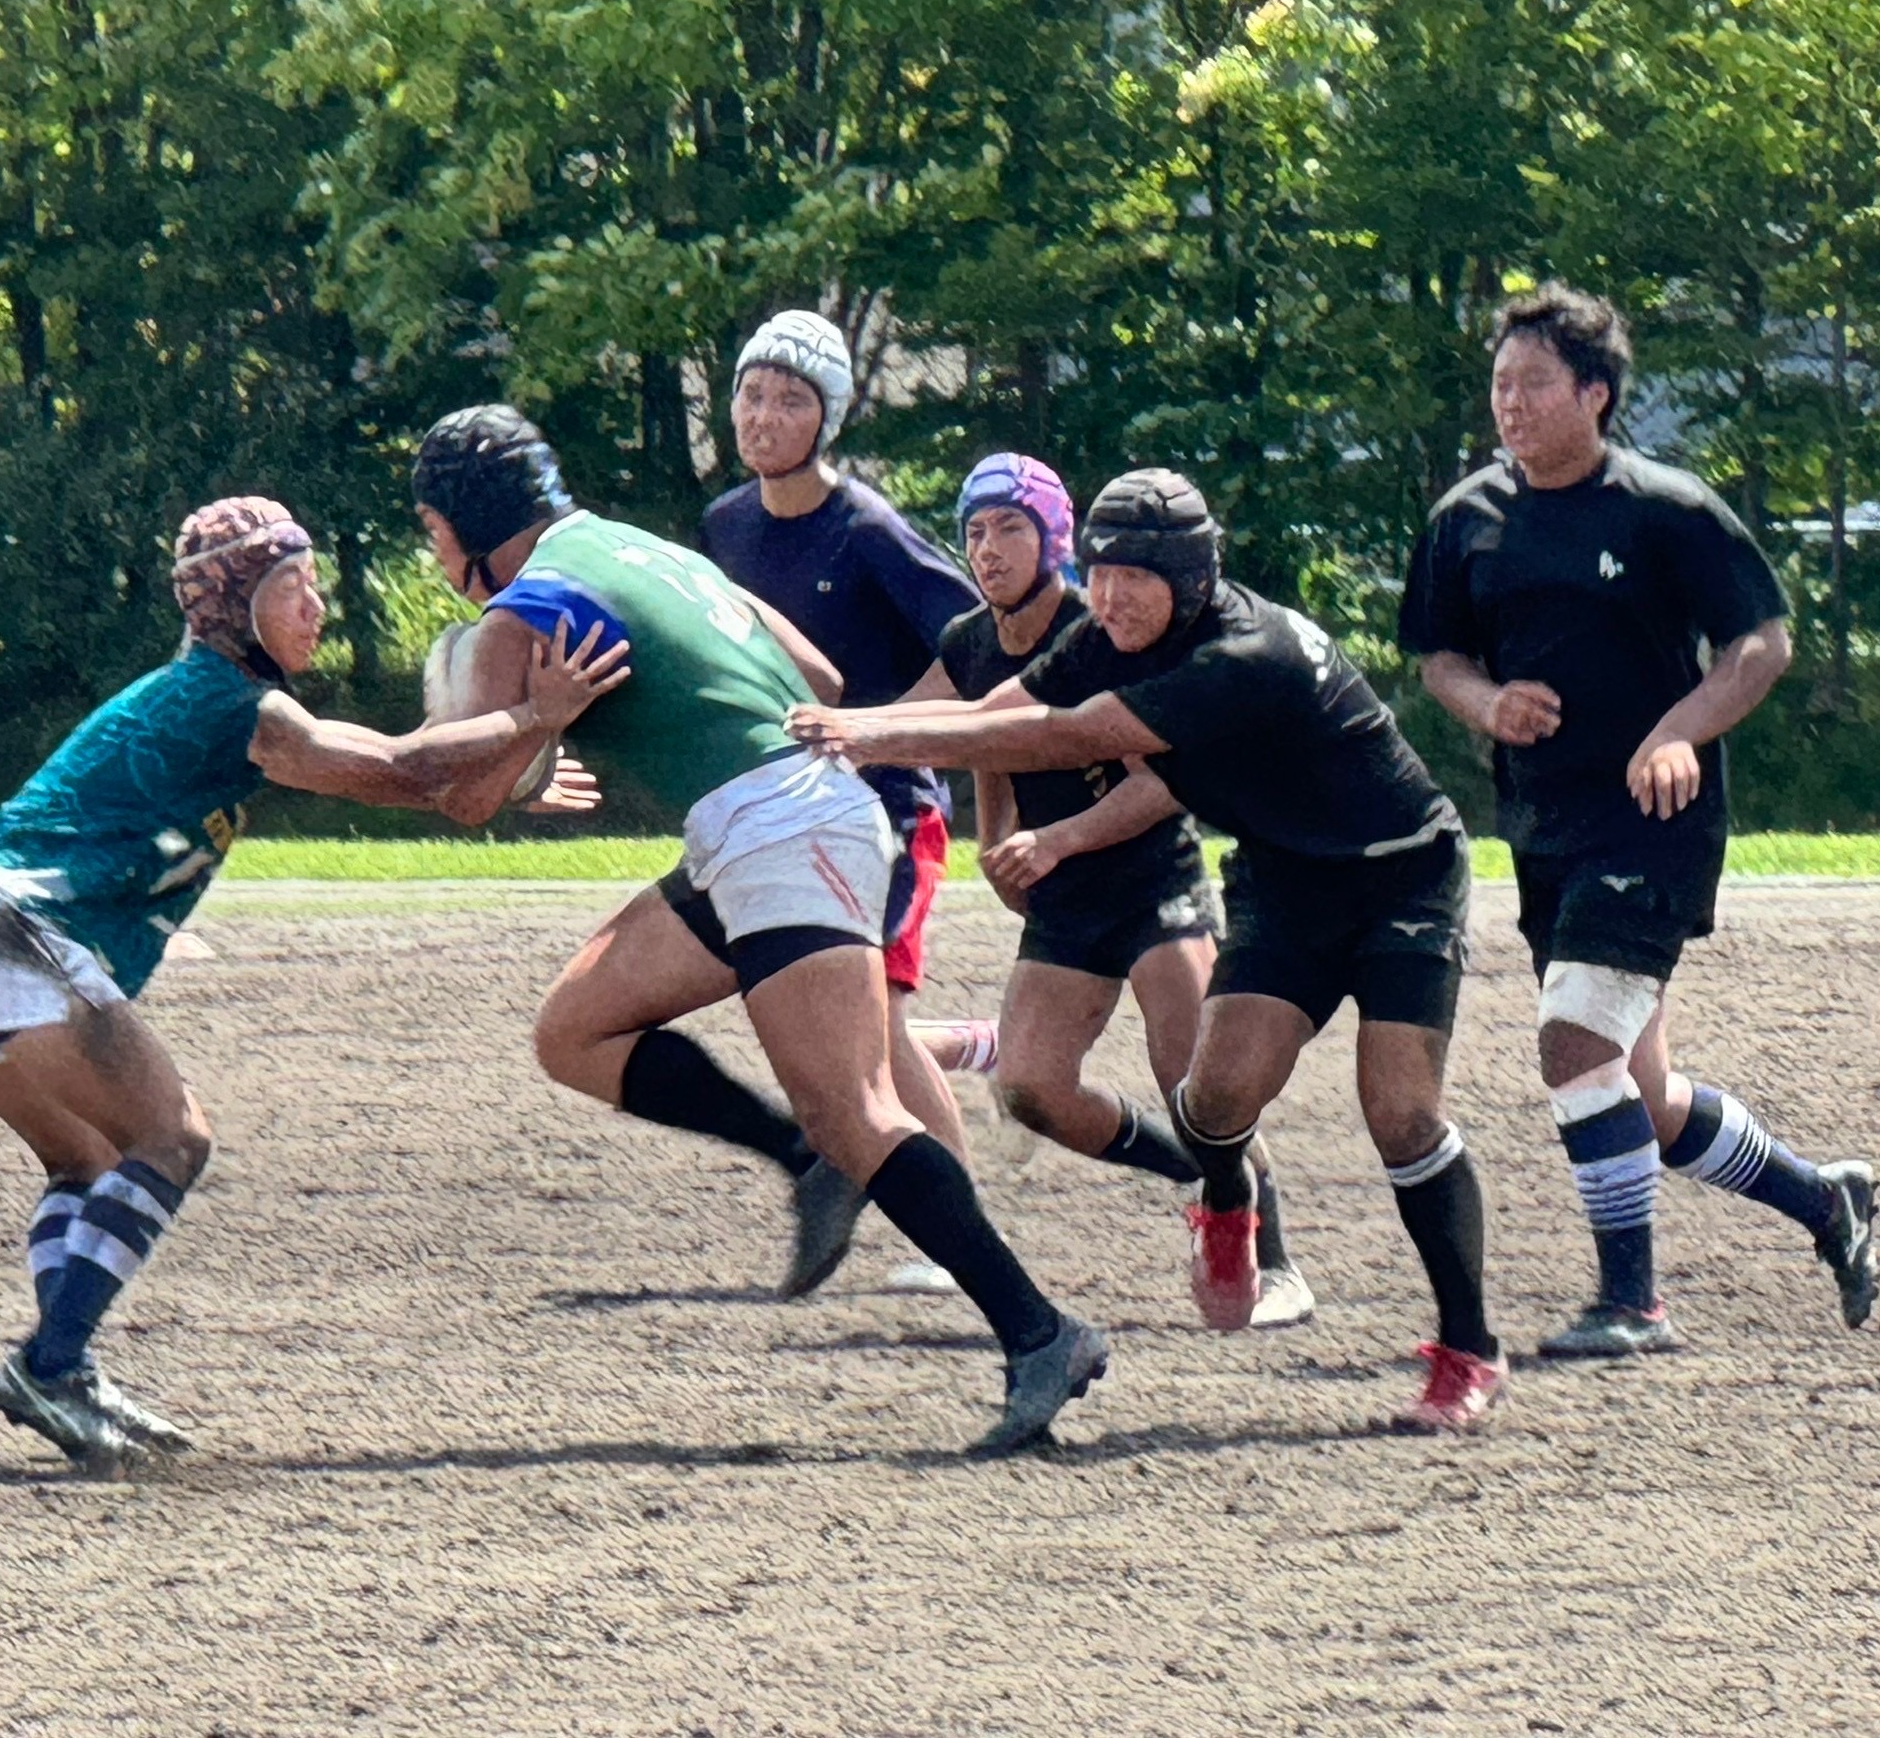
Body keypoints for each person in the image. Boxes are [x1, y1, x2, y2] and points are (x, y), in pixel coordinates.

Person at [411, 403, 1107, 1454]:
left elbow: (465, 798)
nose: (433, 552)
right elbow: (818, 679)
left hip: (779, 831)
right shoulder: (641, 548)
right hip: (779, 819)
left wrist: (539, 727)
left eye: (431, 530)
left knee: (859, 1111)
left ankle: (1041, 1332)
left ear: (464, 522)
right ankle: (801, 1157)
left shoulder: (521, 612)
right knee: (574, 1029)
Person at [0, 496, 628, 1470]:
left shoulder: (206, 697)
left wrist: (506, 765)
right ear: (235, 606)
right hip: (6, 929)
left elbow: (410, 780)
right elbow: (404, 767)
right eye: (292, 586)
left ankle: (65, 1366)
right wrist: (532, 717)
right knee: (173, 1137)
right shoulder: (229, 701)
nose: (315, 606)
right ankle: (48, 1364)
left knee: (89, 1161)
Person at [788, 468, 1508, 1432]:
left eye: (1136, 577)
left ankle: (1468, 1348)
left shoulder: (1243, 654)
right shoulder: (1108, 634)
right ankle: (1226, 1197)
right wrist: (856, 729)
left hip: (1403, 875)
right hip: (1287, 882)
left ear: (1193, 578)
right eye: (1100, 572)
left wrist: (867, 740)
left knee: (1401, 1112)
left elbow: (1072, 734)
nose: (1111, 596)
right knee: (1212, 1101)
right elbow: (1001, 709)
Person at [1401, 282, 1879, 1356]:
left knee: (1574, 1042)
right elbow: (1439, 658)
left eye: (1533, 383)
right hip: (1544, 828)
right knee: (1642, 1096)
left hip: (1655, 824)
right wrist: (1487, 703)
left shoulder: (1667, 508)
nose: (1510, 403)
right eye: (1500, 384)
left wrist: (1676, 732)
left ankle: (1632, 1302)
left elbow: (1761, 643)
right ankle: (1825, 1201)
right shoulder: (1466, 519)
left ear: (1596, 394)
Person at [901, 453, 1314, 1328]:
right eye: (975, 530)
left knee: (1196, 1084)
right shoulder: (971, 641)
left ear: (1054, 538)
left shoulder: (1102, 629)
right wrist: (992, 839)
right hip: (1065, 895)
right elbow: (972, 738)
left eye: (1010, 527)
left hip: (1151, 877)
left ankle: (1276, 1265)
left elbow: (1164, 784)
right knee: (1031, 1088)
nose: (989, 548)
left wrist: (1056, 839)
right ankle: (1200, 1180)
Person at [699, 311, 984, 1291]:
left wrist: (876, 732)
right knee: (827, 1019)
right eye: (751, 394)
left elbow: (977, 643)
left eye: (790, 400)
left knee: (880, 1022)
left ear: (827, 418)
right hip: (785, 814)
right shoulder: (725, 526)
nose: (764, 415)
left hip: (893, 810)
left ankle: (956, 1238)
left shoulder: (865, 528)